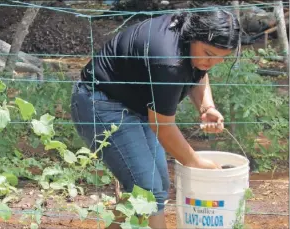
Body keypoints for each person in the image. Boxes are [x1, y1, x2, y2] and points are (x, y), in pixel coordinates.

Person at [70, 5, 240, 229]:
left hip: (137, 104)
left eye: (221, 59)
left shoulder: (190, 37)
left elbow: (199, 71)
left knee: (154, 186)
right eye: (209, 55)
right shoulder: (169, 59)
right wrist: (195, 162)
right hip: (100, 101)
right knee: (148, 192)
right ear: (193, 36)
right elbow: (162, 126)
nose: (212, 63)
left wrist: (206, 106)